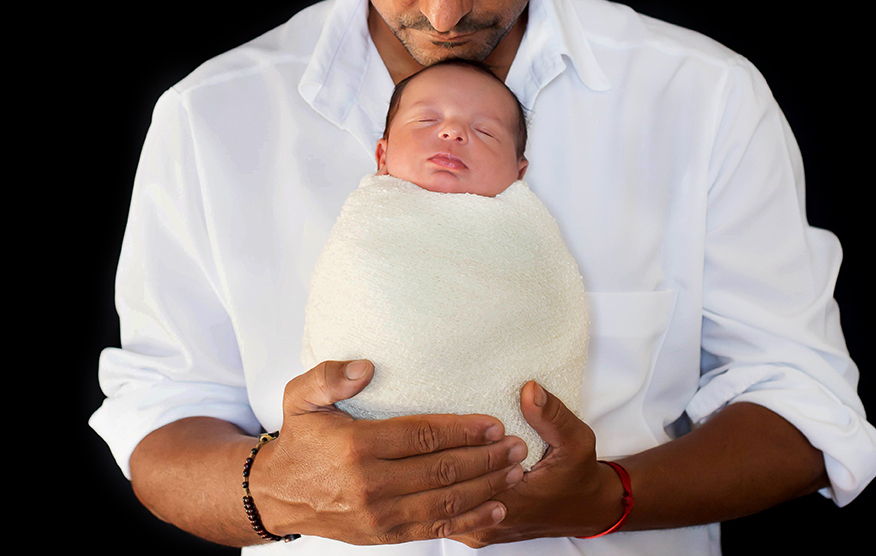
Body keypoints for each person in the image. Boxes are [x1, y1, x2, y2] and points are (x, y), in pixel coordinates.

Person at [89, 1, 876, 555]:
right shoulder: (211, 114)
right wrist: (272, 489)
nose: (443, 17)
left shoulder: (701, 96)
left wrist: (609, 498)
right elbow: (163, 415)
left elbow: (805, 403)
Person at [304, 59, 589, 472]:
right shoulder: (369, 223)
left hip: (513, 459)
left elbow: (551, 319)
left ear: (519, 172)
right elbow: (346, 298)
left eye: (485, 131)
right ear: (382, 155)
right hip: (360, 449)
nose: (453, 132)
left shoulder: (529, 238)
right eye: (427, 120)